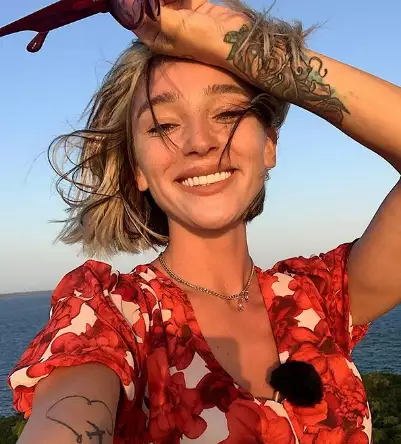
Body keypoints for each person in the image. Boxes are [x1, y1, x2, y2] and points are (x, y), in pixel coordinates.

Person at [5, 0, 401, 442]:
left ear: (269, 144)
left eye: (228, 113)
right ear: (137, 169)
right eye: (163, 126)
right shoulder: (112, 318)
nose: (199, 142)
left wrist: (254, 52)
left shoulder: (317, 297)